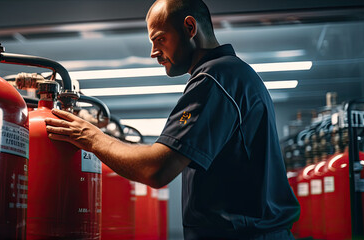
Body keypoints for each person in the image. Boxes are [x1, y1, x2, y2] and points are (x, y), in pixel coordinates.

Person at [44, 0, 300, 239]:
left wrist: (92, 138)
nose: (154, 52)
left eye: (160, 39)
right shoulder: (231, 75)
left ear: (190, 27)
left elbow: (156, 169)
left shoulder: (214, 79)